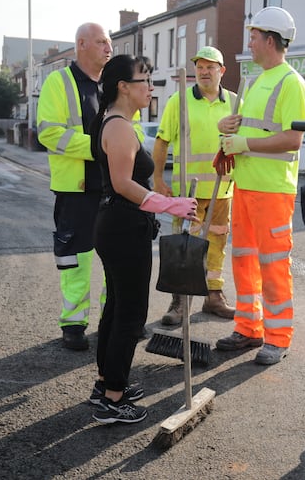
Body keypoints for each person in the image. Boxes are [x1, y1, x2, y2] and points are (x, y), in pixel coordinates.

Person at [89, 54, 198, 424]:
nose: (150, 88)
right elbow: (123, 185)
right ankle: (113, 400)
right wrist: (172, 205)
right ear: (123, 86)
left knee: (117, 308)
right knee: (130, 314)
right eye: (144, 80)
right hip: (123, 227)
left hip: (118, 226)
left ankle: (106, 384)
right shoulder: (118, 127)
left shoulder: (116, 122)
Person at [214, 6, 305, 365]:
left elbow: (293, 138)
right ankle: (248, 328)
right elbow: (249, 126)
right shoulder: (253, 80)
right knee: (244, 262)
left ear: (270, 40)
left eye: (253, 36)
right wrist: (229, 127)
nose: (249, 43)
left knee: (272, 266)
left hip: (273, 191)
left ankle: (278, 337)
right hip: (246, 186)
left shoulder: (290, 82)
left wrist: (245, 145)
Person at [36, 22, 112, 351]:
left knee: (114, 259)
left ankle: (114, 318)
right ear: (81, 44)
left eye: (110, 43)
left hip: (112, 189)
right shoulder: (59, 82)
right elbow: (48, 132)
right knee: (76, 260)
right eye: (101, 42)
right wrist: (98, 145)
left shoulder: (112, 85)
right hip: (76, 190)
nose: (108, 48)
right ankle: (74, 323)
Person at [153, 46, 237, 325]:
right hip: (186, 192)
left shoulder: (235, 103)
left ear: (221, 71)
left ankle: (213, 295)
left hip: (222, 191)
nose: (203, 71)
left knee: (217, 244)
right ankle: (179, 301)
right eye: (199, 67)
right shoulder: (180, 101)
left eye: (209, 67)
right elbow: (162, 140)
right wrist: (157, 179)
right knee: (183, 246)